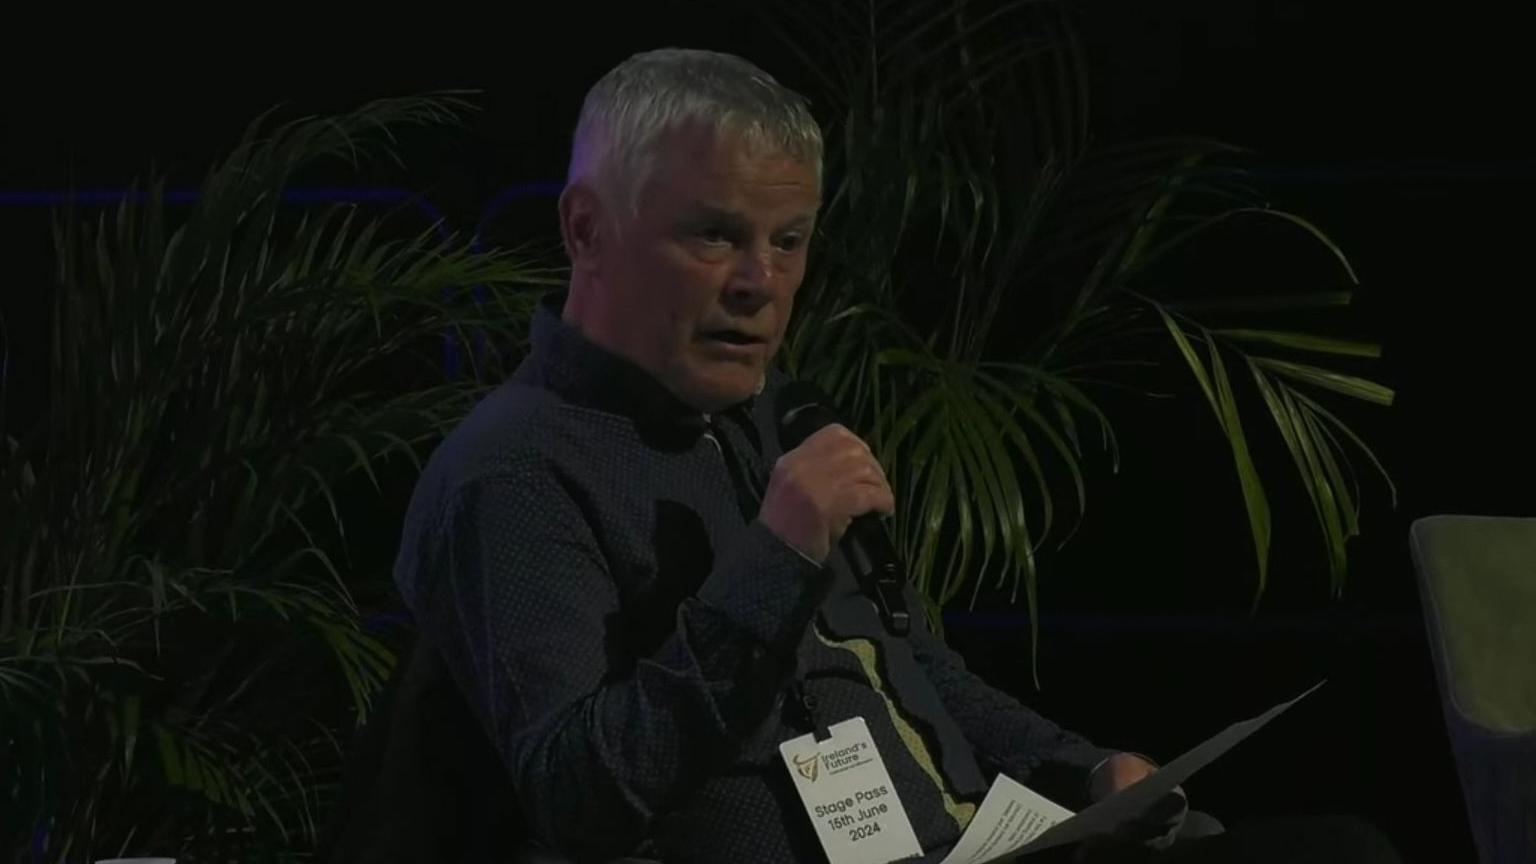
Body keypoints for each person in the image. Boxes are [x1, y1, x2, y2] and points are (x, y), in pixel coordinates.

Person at [393, 48, 1401, 864]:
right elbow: (581, 800)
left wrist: (1088, 773)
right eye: (714, 237)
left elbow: (911, 666)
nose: (762, 283)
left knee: (1340, 844)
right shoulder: (515, 473)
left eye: (788, 242)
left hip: (983, 838)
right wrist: (774, 561)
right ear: (587, 229)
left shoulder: (766, 416)